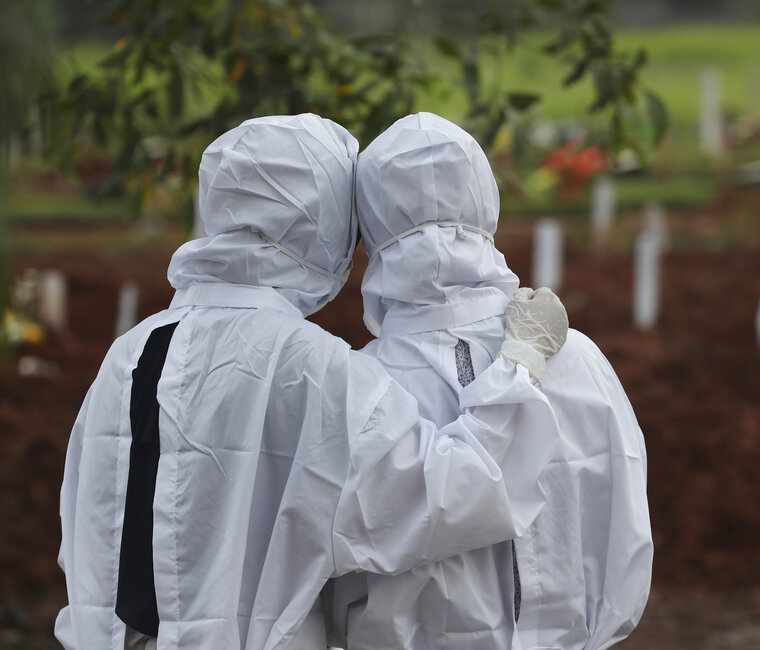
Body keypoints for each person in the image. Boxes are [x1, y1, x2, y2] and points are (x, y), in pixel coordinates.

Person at [56, 113, 570, 649]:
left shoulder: (129, 353)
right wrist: (521, 363)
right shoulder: (306, 364)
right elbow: (451, 495)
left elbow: (86, 534)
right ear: (320, 222)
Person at [326, 112, 653, 649]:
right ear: (485, 198)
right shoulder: (578, 357)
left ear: (367, 226)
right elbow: (624, 528)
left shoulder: (355, 385)